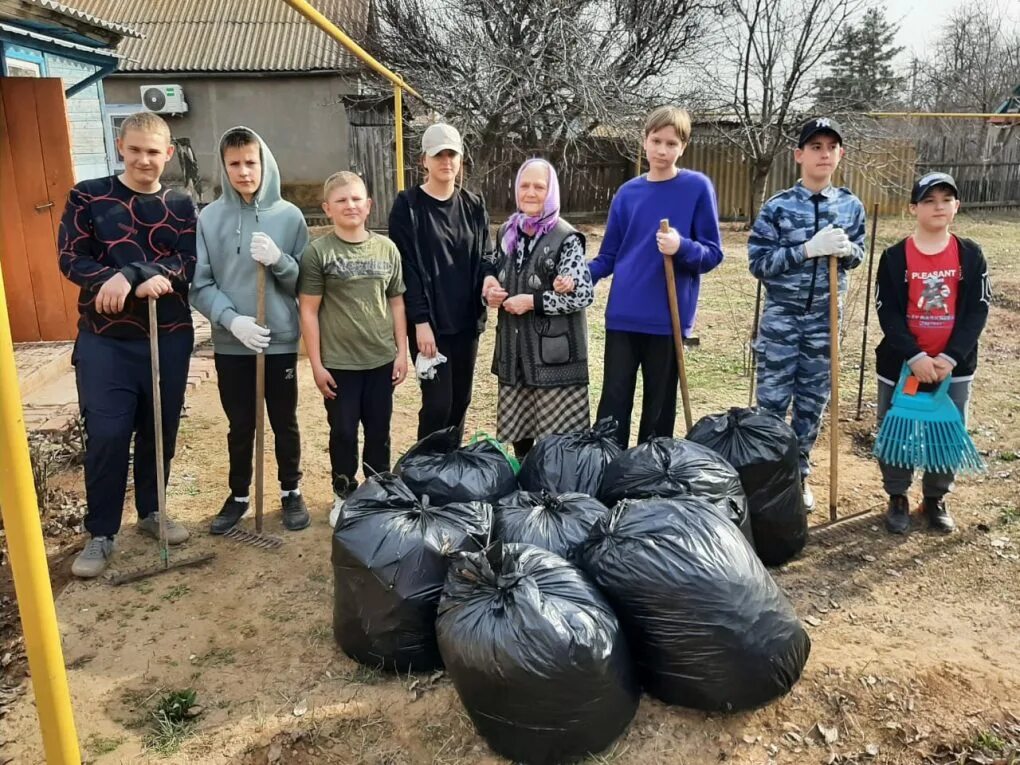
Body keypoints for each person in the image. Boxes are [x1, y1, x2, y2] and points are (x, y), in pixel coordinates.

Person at [58, 112, 196, 578]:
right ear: (121, 147)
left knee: (160, 428)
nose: (144, 160)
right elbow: (70, 257)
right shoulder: (89, 196)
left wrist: (133, 274)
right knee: (109, 433)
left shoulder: (181, 204)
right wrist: (111, 278)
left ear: (168, 154)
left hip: (168, 336)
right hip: (106, 340)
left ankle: (153, 512)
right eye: (135, 150)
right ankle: (101, 532)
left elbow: (186, 262)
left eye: (153, 152)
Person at [191, 127, 310, 534]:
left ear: (264, 163)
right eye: (235, 164)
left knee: (284, 420)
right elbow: (199, 284)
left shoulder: (290, 217)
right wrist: (232, 321)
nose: (244, 172)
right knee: (241, 423)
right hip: (233, 343)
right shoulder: (209, 218)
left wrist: (279, 260)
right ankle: (239, 494)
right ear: (224, 167)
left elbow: (305, 284)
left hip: (277, 340)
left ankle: (290, 491)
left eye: (250, 162)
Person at [748, 116, 866, 511]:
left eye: (831, 147)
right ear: (799, 155)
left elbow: (860, 254)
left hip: (824, 320)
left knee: (812, 403)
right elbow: (759, 263)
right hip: (783, 318)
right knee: (772, 402)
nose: (824, 154)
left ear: (840, 154)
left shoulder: (850, 207)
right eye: (815, 147)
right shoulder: (778, 208)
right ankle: (766, 475)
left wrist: (848, 252)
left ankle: (798, 476)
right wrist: (806, 250)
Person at [588, 106, 724, 448]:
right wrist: (579, 276)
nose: (663, 150)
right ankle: (608, 469)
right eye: (656, 140)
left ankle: (651, 476)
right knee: (613, 403)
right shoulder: (628, 194)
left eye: (672, 143)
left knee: (659, 408)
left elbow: (712, 253)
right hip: (622, 316)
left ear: (683, 147)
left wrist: (682, 246)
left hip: (668, 319)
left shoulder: (696, 188)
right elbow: (609, 256)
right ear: (644, 141)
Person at [874, 173, 990, 535]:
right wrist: (914, 356)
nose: (938, 206)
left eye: (946, 199)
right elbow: (887, 310)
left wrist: (950, 358)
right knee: (897, 431)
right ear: (913, 208)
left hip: (953, 367)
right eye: (929, 200)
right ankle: (897, 495)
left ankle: (936, 498)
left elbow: (977, 310)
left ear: (957, 206)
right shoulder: (894, 257)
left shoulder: (970, 254)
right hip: (902, 365)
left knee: (946, 433)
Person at [299, 172, 407, 522]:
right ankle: (344, 494)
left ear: (369, 205)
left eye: (357, 199)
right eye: (342, 200)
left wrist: (401, 352)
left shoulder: (387, 249)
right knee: (343, 432)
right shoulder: (318, 253)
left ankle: (379, 493)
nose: (351, 205)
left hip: (379, 359)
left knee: (379, 431)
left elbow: (396, 304)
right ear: (327, 208)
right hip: (340, 365)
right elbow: (309, 310)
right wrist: (316, 365)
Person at [483, 158, 595, 460]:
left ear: (551, 192)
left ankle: (555, 498)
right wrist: (490, 288)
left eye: (539, 186)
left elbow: (582, 295)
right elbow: (495, 269)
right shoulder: (507, 231)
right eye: (525, 185)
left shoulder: (566, 237)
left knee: (556, 446)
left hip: (554, 359)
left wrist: (533, 302)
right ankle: (523, 496)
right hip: (516, 353)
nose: (531, 192)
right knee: (521, 435)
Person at [387, 123, 493, 442]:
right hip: (430, 324)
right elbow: (407, 269)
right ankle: (426, 471)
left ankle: (451, 470)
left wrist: (489, 278)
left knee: (460, 401)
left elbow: (486, 253)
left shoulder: (474, 206)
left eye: (452, 154)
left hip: (466, 320)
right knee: (437, 404)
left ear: (460, 158)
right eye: (438, 155)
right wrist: (419, 321)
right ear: (424, 160)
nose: (446, 161)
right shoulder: (408, 206)